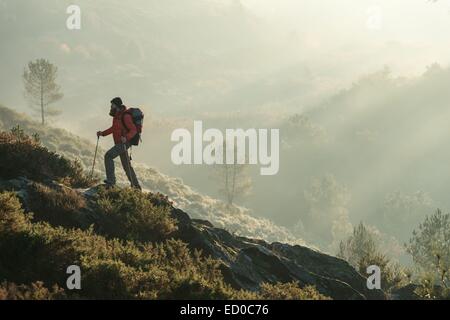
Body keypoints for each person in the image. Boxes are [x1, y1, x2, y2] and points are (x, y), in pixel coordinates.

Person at [97, 97, 141, 190]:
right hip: (120, 143)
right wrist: (102, 133)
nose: (111, 107)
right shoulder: (116, 116)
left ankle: (111, 182)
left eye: (112, 105)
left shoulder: (125, 116)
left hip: (124, 142)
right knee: (126, 166)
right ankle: (136, 187)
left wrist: (126, 138)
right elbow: (113, 128)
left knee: (108, 156)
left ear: (116, 106)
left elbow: (134, 130)